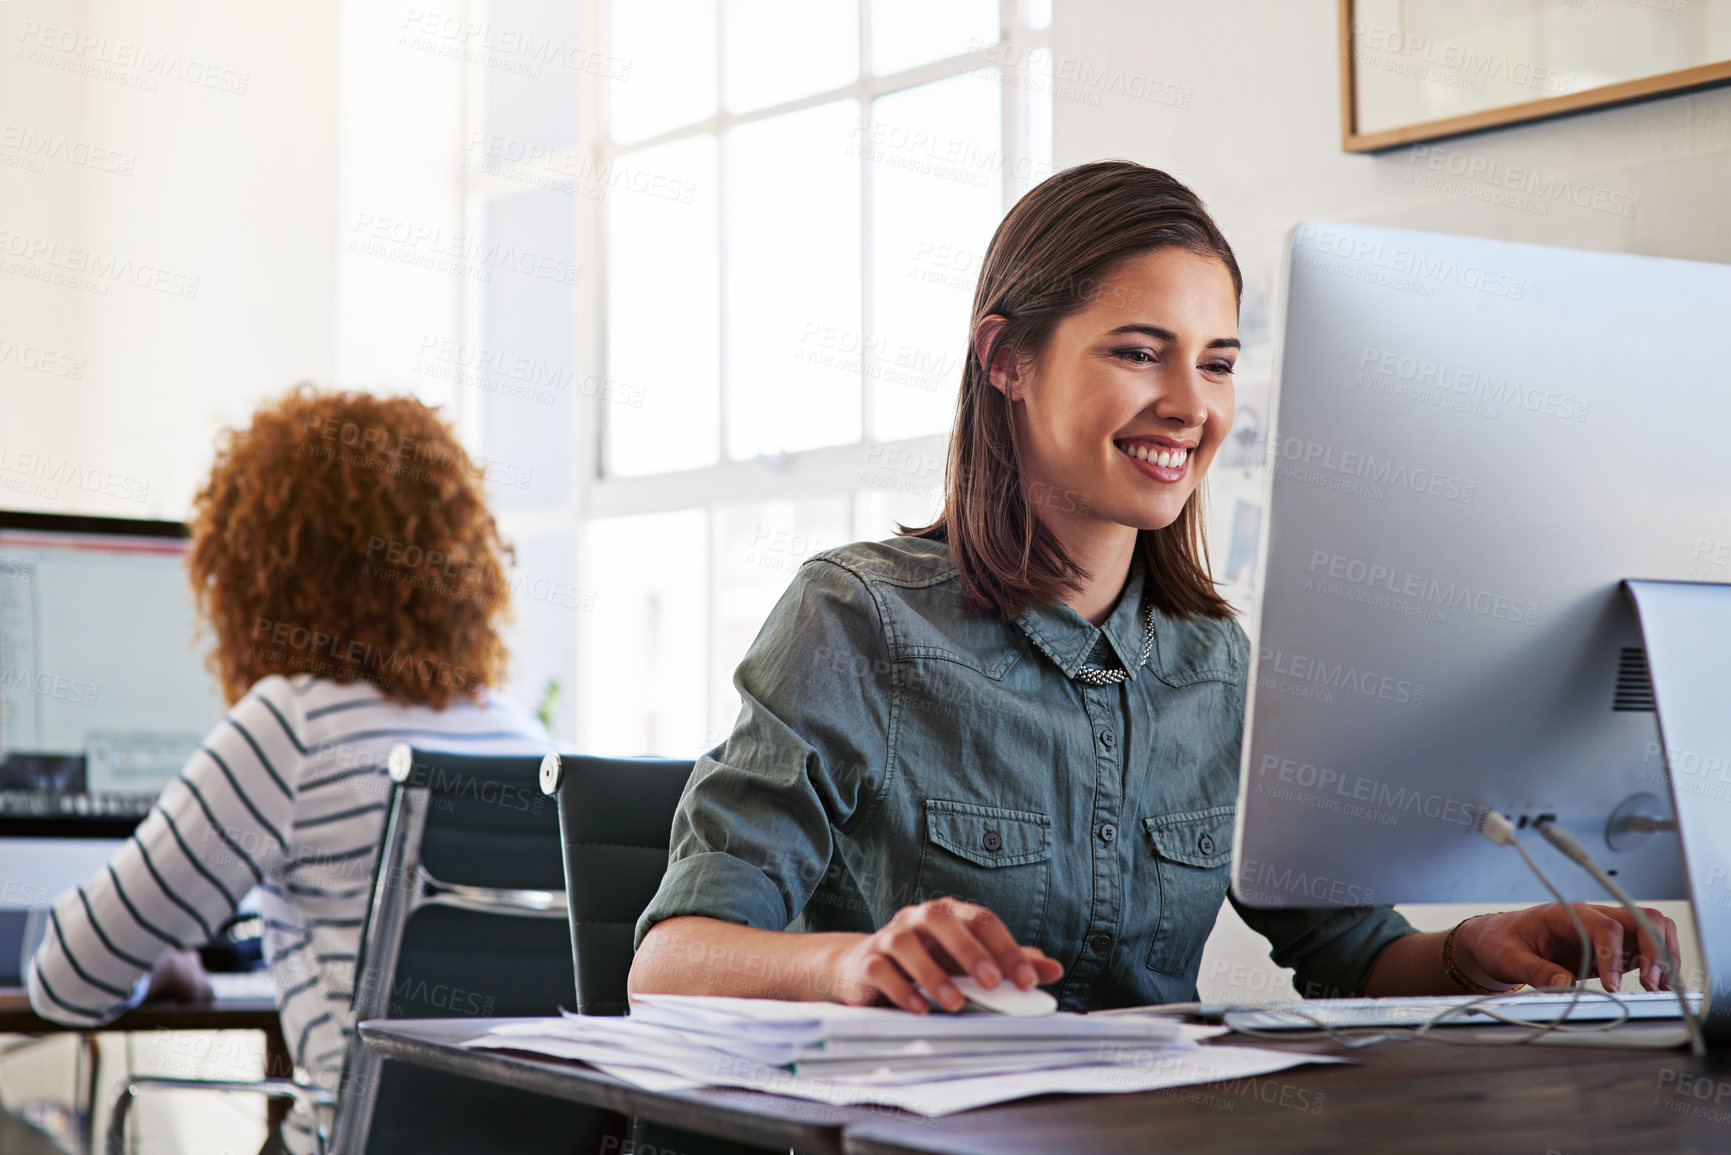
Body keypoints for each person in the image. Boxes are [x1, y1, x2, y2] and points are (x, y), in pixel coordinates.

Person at [628, 160, 1681, 1015]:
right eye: (1141, 353)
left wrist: (1474, 949)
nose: (1190, 406)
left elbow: (1348, 951)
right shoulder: (856, 620)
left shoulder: (1216, 665)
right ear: (1006, 359)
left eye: (1217, 364)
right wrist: (844, 966)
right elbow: (670, 961)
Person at [26, 387, 550, 1145]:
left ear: (261, 570)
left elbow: (68, 976)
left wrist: (168, 959)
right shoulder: (524, 738)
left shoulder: (294, 722)